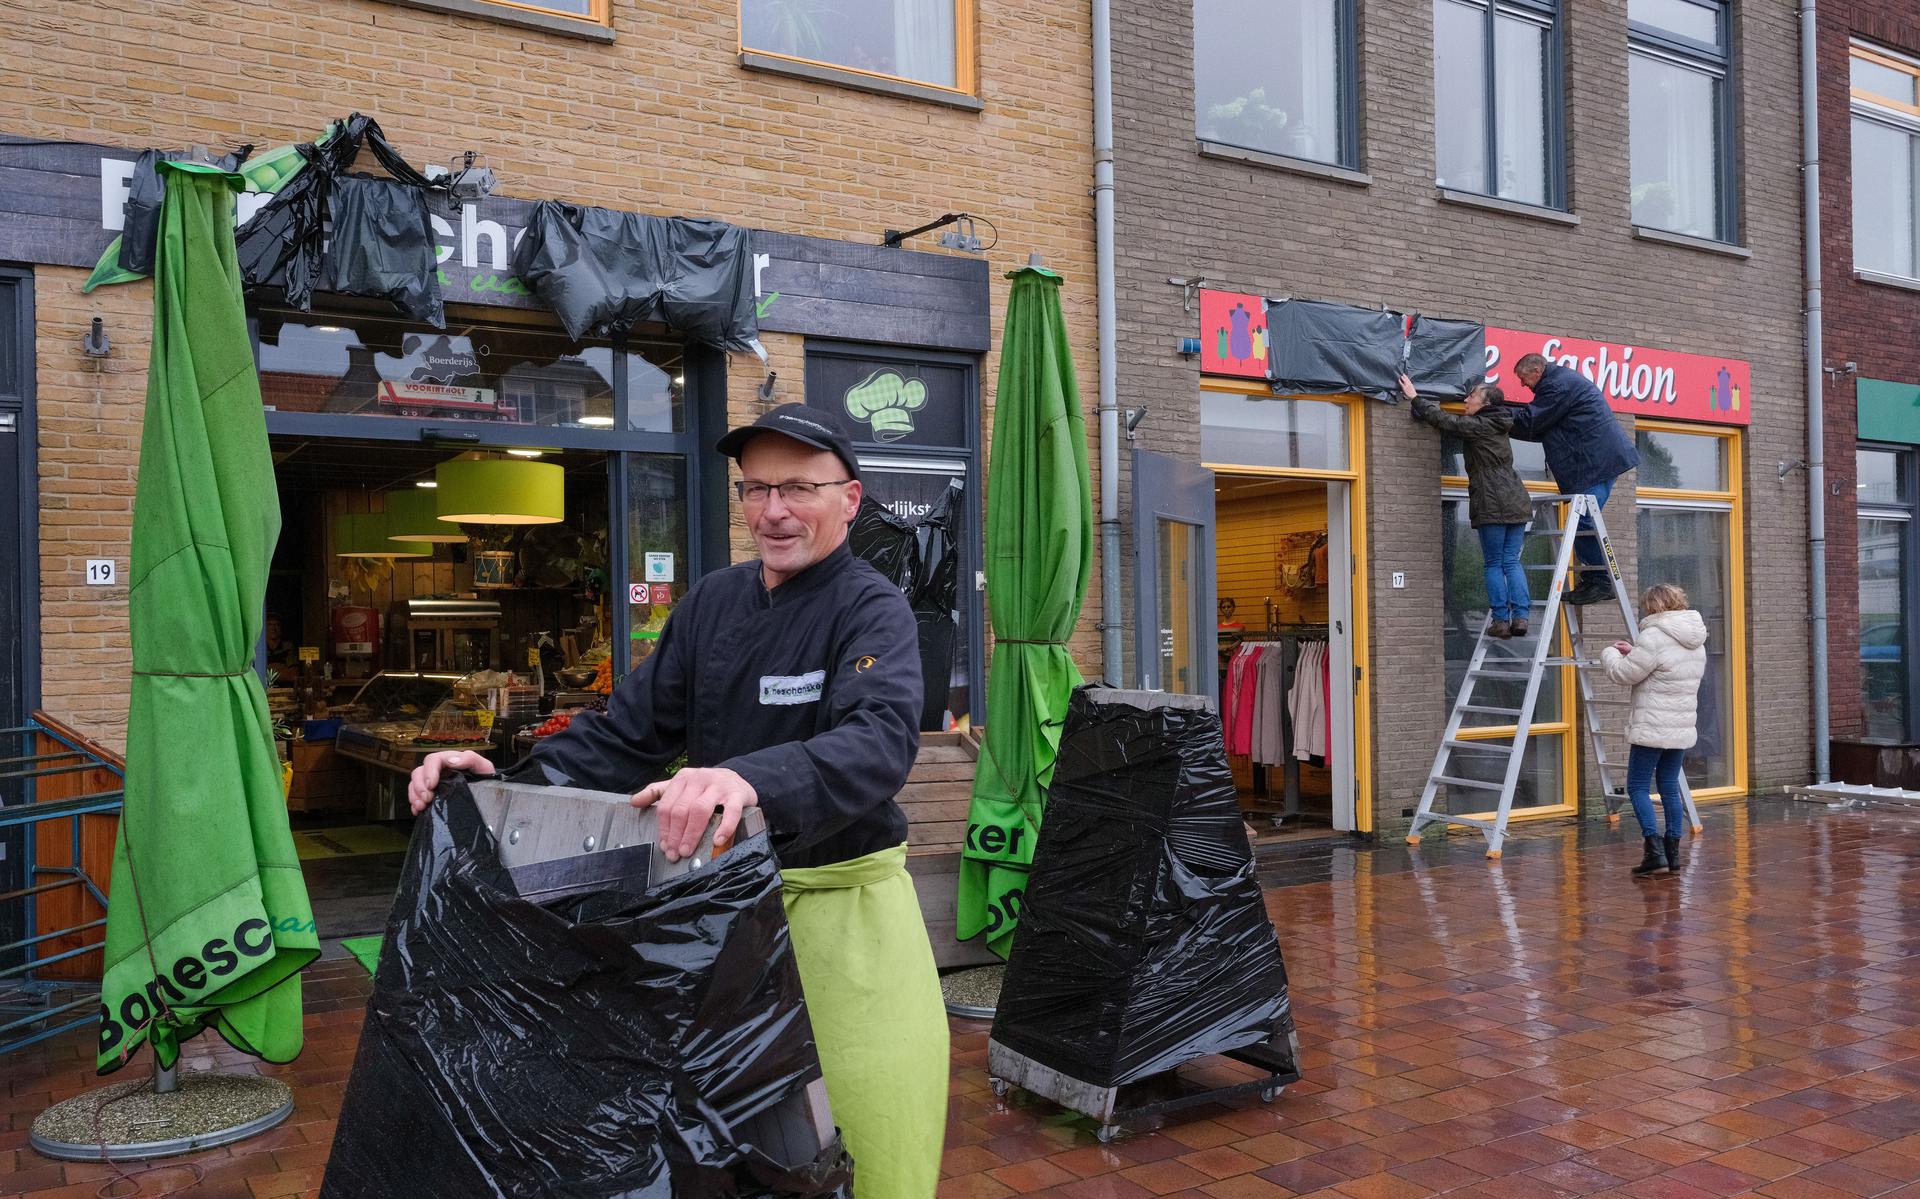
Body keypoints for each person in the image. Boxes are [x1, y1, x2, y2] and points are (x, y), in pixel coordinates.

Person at [406, 404, 947, 1196]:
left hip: (841, 925)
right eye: (755, 489)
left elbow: (878, 742)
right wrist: (501, 784)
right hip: (718, 921)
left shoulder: (872, 609)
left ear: (850, 498)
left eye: (797, 488)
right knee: (720, 1143)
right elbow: (624, 734)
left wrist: (748, 777)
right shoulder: (712, 605)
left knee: (856, 1136)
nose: (773, 511)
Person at [1401, 373, 1535, 639]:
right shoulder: (1499, 423)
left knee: (1494, 563)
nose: (1466, 399)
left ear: (1485, 403)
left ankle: (1500, 620)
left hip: (1491, 501)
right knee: (1511, 562)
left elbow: (1446, 421)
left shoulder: (1481, 424)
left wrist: (1415, 397)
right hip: (1517, 499)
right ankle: (1520, 617)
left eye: (1472, 396)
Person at [1508, 352, 1640, 605]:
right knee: (1583, 521)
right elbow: (1537, 426)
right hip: (1598, 461)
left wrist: (1493, 413)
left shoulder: (1557, 386)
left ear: (1536, 371)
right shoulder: (1560, 383)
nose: (1523, 385)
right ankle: (1594, 580)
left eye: (1523, 379)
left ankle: (1600, 581)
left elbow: (1531, 420)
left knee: (1584, 520)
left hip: (1597, 463)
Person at [1600, 583, 1707, 879]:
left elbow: (1624, 674)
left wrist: (1610, 653)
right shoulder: (1696, 640)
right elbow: (1666, 667)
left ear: (1653, 606)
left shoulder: (1653, 635)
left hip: (1652, 725)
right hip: (1680, 726)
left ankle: (1653, 850)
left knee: (1636, 787)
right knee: (1669, 786)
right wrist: (1635, 652)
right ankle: (1672, 854)